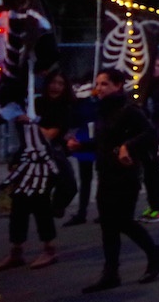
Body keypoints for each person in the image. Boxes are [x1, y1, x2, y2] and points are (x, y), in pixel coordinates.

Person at [68, 68, 159, 293]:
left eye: (104, 84)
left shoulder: (129, 110)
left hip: (126, 176)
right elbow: (104, 143)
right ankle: (111, 273)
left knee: (122, 221)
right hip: (105, 174)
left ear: (117, 86)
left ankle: (155, 256)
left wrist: (127, 146)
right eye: (98, 84)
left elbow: (151, 133)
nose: (99, 88)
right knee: (108, 225)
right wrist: (81, 146)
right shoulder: (102, 110)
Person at [0, 70, 75, 271]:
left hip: (46, 162)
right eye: (53, 82)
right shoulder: (36, 103)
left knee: (41, 205)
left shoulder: (63, 108)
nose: (55, 87)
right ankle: (16, 251)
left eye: (60, 83)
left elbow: (49, 135)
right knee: (19, 205)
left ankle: (49, 249)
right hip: (27, 159)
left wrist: (30, 121)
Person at [138, 56, 159, 223]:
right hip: (147, 136)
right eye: (154, 66)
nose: (156, 68)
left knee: (158, 173)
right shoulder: (145, 87)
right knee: (148, 174)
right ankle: (152, 205)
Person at [63, 82, 99, 227]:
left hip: (96, 139)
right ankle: (82, 211)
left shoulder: (98, 101)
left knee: (98, 177)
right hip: (84, 139)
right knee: (85, 178)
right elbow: (74, 119)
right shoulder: (79, 103)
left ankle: (99, 210)